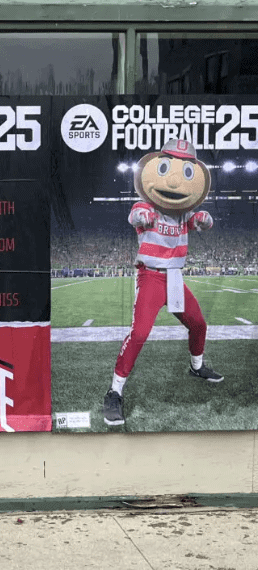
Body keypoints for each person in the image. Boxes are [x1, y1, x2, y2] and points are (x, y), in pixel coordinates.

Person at [103, 138, 222, 426]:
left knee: (198, 324)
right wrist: (141, 215)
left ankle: (196, 367)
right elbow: (135, 215)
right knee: (140, 333)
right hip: (152, 277)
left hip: (175, 278)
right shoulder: (146, 206)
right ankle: (114, 391)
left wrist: (205, 220)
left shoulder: (185, 211)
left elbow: (202, 221)